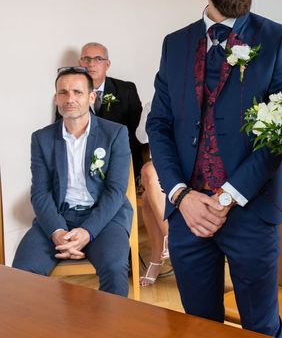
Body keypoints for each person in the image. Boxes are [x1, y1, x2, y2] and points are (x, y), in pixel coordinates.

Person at [146, 0, 282, 337]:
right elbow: (158, 124)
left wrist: (227, 197)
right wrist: (180, 195)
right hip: (188, 214)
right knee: (198, 328)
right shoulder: (174, 44)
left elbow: (279, 136)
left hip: (251, 213)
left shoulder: (278, 39)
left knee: (262, 328)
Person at [13, 67, 133, 297]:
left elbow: (116, 191)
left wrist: (87, 232)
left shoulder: (115, 133)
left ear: (91, 97)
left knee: (115, 267)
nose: (70, 99)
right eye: (63, 92)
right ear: (56, 97)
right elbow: (40, 192)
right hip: (59, 216)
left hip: (105, 218)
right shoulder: (41, 138)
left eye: (77, 92)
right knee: (22, 271)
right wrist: (57, 231)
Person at [78, 42, 143, 176]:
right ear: (80, 63)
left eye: (98, 59)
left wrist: (111, 154)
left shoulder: (126, 90)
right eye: (87, 59)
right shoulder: (70, 93)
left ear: (107, 64)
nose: (91, 64)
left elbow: (137, 132)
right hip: (82, 164)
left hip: (122, 161)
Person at [135, 102, 170, 286]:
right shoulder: (153, 104)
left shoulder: (193, 102)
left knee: (148, 188)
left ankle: (157, 259)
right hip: (160, 168)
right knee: (149, 176)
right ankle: (170, 238)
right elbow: (141, 137)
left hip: (188, 169)